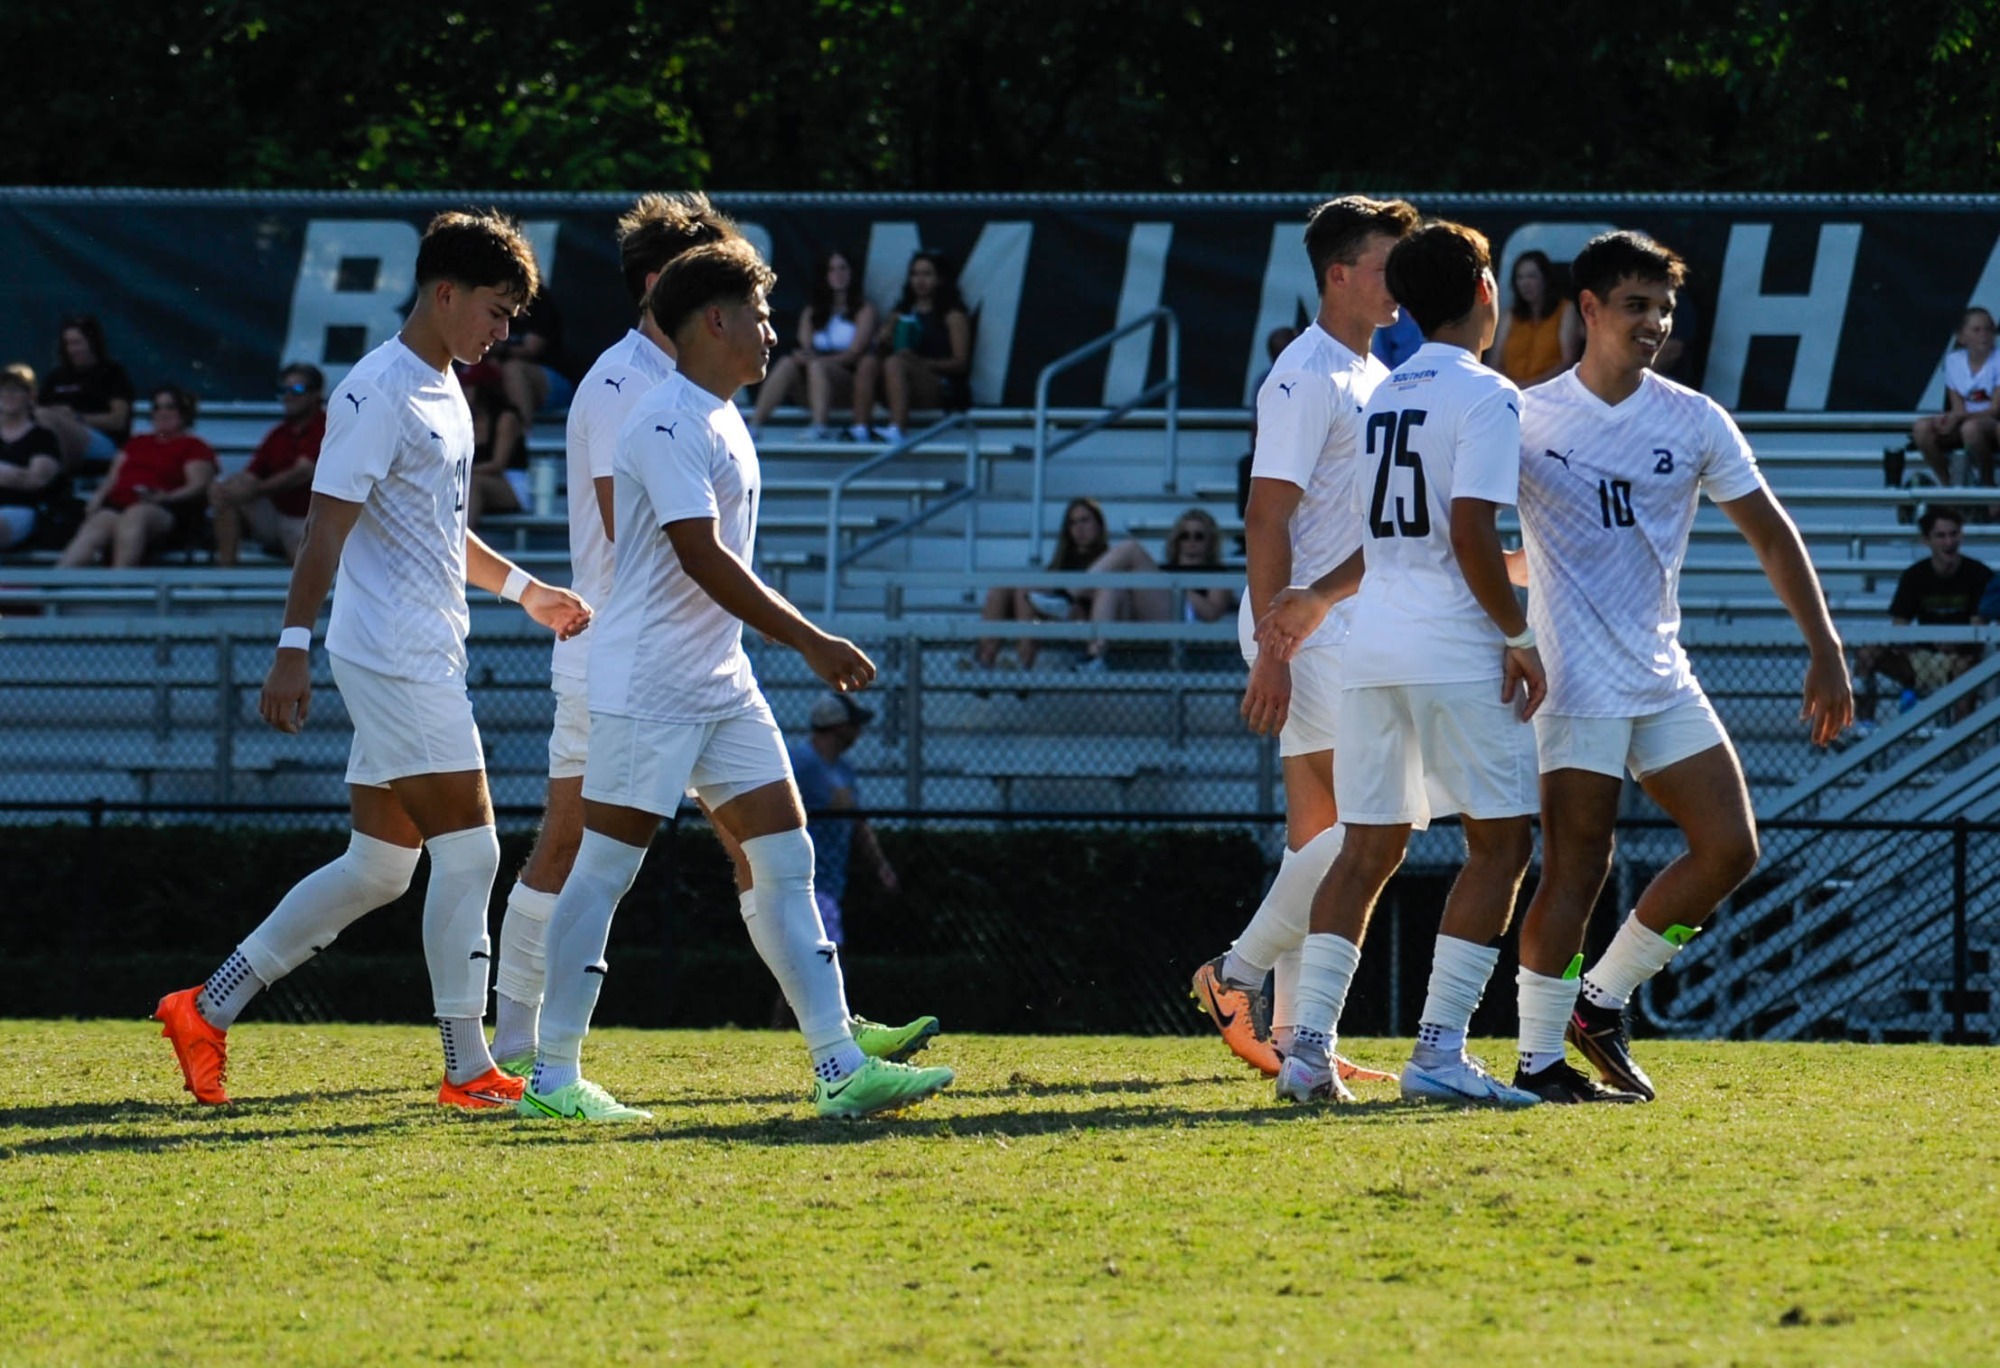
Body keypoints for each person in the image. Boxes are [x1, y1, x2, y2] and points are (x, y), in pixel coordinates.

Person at [152, 210, 592, 1110]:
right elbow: (324, 527)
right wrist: (289, 649)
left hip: (422, 646)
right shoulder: (375, 388)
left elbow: (441, 532)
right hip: (392, 654)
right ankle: (468, 1066)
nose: (502, 332)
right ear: (444, 292)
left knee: (381, 866)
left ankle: (205, 1006)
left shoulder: (445, 389)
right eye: (496, 311)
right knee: (471, 854)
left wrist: (527, 592)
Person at [521, 237, 953, 1122]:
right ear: (713, 320)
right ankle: (552, 1079)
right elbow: (700, 559)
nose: (771, 332)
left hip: (718, 682)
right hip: (648, 684)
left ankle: (839, 1066)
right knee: (602, 872)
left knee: (785, 859)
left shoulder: (719, 413)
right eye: (758, 316)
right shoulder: (665, 420)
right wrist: (810, 641)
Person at [1507, 230, 1851, 1104]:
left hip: (1660, 675)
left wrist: (1825, 647)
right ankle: (1538, 1059)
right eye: (1636, 304)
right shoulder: (1527, 415)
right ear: (1588, 309)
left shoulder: (1694, 418)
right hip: (1575, 682)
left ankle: (1601, 1000)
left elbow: (1770, 533)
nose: (1655, 321)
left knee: (1730, 846)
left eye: (1664, 306)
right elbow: (1473, 532)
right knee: (1576, 869)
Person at [1252, 220, 1544, 1107]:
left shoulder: (1382, 394)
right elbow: (1469, 532)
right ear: (1486, 292)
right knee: (1501, 847)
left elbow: (1392, 542)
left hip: (1372, 645)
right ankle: (1439, 1051)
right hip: (1452, 646)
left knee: (1363, 851)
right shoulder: (1489, 394)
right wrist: (1520, 636)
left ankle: (1306, 1052)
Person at [486, 190, 739, 1075]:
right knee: (571, 844)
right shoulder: (626, 380)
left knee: (762, 835)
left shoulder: (678, 379)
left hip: (672, 653)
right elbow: (631, 530)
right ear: (665, 282)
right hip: (627, 655)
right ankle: (516, 1045)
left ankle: (837, 1028)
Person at [1186, 194, 1419, 1084]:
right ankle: (1233, 972)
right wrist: (1278, 646)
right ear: (1338, 275)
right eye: (1385, 267)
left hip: (1336, 629)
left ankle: (1290, 1032)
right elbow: (1263, 514)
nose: (1398, 285)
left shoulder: (1371, 374)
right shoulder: (1303, 373)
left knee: (1319, 834)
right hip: (1308, 634)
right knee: (1374, 827)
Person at [789, 692, 905, 961]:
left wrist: (880, 867)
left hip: (830, 884)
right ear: (839, 726)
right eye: (855, 724)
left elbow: (858, 823)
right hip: (805, 883)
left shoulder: (843, 769)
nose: (859, 731)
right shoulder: (801, 765)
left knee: (813, 968)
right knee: (826, 963)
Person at [1853, 508, 1991, 726]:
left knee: (1967, 668)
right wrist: (1907, 645)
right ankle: (1864, 725)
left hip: (1962, 659)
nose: (1949, 542)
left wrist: (1956, 644)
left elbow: (1978, 629)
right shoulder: (1914, 576)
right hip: (1921, 657)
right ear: (1927, 540)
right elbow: (1899, 626)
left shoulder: (1980, 574)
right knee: (1866, 653)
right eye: (1941, 536)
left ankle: (1959, 738)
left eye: (1954, 534)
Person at [58, 384, 215, 567]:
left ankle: (119, 588)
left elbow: (198, 485)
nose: (162, 412)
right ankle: (53, 587)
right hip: (120, 503)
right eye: (157, 407)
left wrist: (165, 497)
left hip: (165, 508)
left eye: (169, 407)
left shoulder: (194, 446)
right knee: (96, 526)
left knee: (135, 516)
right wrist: (98, 498)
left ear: (184, 413)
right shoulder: (137, 443)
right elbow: (112, 478)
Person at [1075, 507, 1239, 670]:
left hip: (1186, 619)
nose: (1191, 541)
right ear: (1176, 540)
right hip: (1146, 614)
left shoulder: (1216, 572)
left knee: (1131, 548)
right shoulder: (1164, 569)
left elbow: (1212, 613)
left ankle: (1070, 592)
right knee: (1111, 584)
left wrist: (1177, 587)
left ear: (1209, 541)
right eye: (1184, 536)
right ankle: (1095, 656)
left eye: (1199, 536)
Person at [750, 248, 878, 440]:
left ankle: (819, 426)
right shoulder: (812, 312)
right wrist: (805, 357)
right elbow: (806, 347)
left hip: (847, 383)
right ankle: (754, 426)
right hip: (812, 385)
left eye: (843, 268)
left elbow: (855, 352)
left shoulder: (864, 310)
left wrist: (820, 360)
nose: (838, 274)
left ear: (852, 273)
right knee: (788, 363)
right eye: (832, 269)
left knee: (817, 365)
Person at [973, 495, 1111, 670]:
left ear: (1099, 524)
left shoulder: (1109, 559)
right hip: (1047, 613)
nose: (1079, 528)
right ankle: (985, 659)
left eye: (1085, 521)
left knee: (1026, 590)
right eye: (1073, 523)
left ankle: (1024, 664)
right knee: (1000, 589)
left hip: (1080, 616)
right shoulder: (1062, 560)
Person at [208, 363, 327, 566]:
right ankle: (223, 579)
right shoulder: (278, 434)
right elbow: (252, 474)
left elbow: (303, 472)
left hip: (310, 520)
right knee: (224, 495)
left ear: (315, 395)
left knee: (302, 547)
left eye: (297, 390)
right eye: (284, 390)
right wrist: (227, 488)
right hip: (277, 516)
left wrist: (256, 490)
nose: (288, 396)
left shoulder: (327, 426)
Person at [850, 249, 972, 445]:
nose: (919, 280)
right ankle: (860, 428)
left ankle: (898, 429)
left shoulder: (953, 314)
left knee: (895, 363)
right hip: (898, 381)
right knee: (868, 362)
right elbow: (881, 350)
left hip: (940, 386)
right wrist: (883, 339)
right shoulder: (901, 312)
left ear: (940, 278)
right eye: (915, 274)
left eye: (926, 274)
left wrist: (921, 362)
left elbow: (961, 363)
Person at [35, 314, 134, 475]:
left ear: (93, 343)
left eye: (77, 343)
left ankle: (56, 481)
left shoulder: (112, 373)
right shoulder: (56, 377)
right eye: (67, 344)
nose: (72, 349)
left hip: (102, 441)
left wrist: (75, 417)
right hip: (56, 433)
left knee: (45, 420)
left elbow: (118, 420)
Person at [1911, 307, 1999, 486]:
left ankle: (1988, 484)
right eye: (1976, 330)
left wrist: (1957, 417)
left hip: (1991, 423)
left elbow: (1995, 410)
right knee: (1921, 428)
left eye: (1988, 329)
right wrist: (1950, 420)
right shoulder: (1953, 361)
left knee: (1971, 429)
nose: (1984, 335)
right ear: (1961, 337)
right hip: (1965, 420)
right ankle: (1948, 484)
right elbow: (1958, 406)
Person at [1484, 249, 1581, 387]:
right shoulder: (1510, 316)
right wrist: (1512, 387)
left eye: (1531, 276)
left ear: (1545, 279)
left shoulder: (1566, 310)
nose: (1525, 283)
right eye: (1520, 277)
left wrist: (1532, 386)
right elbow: (1494, 363)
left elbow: (1568, 362)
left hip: (1552, 391)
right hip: (1512, 392)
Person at [0, 364, 70, 552]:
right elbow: (21, 476)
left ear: (29, 396)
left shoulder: (42, 437)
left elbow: (35, 479)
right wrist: (11, 473)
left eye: (16, 390)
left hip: (21, 509)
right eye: (4, 390)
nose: (8, 395)